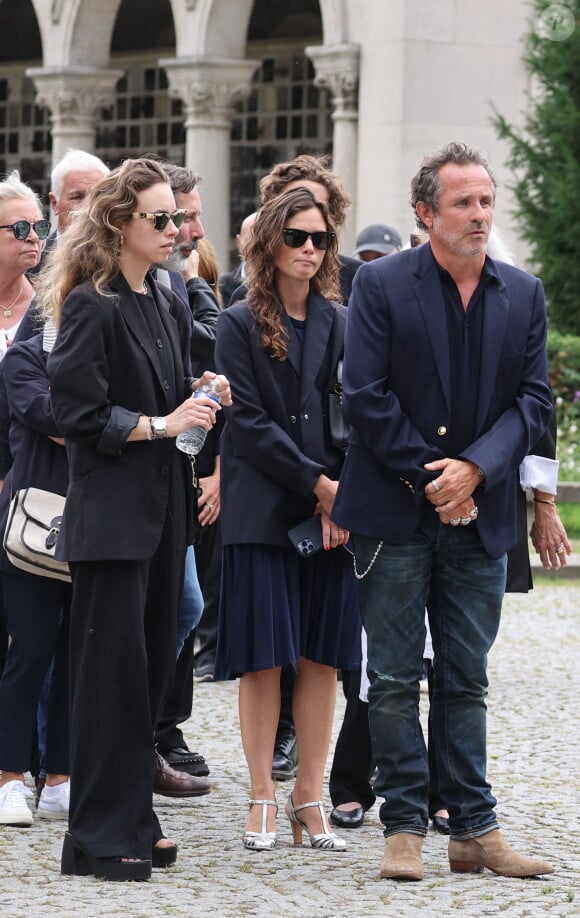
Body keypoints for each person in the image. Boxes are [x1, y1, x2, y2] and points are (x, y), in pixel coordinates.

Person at [333, 141, 555, 881]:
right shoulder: (380, 284)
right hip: (395, 510)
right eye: (463, 202)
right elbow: (364, 394)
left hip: (479, 514)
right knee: (393, 678)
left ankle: (474, 829)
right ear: (425, 213)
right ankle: (404, 826)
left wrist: (478, 469)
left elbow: (533, 402)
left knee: (467, 677)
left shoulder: (523, 292)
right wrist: (436, 478)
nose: (479, 214)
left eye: (486, 200)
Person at [40, 157, 230, 881]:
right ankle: (96, 834)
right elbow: (78, 415)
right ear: (122, 224)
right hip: (112, 521)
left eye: (176, 218)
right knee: (109, 679)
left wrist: (202, 391)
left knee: (147, 681)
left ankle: (132, 818)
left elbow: (167, 389)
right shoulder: (91, 303)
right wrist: (162, 420)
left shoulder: (168, 297)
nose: (177, 229)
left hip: (164, 515)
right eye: (161, 219)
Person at [214, 187, 361, 852]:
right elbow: (246, 423)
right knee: (264, 659)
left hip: (330, 512)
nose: (309, 250)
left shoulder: (340, 320)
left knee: (323, 658)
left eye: (320, 239)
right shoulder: (238, 321)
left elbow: (357, 414)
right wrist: (318, 485)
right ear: (270, 241)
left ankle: (309, 795)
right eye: (297, 237)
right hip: (262, 509)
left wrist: (342, 496)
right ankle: (261, 796)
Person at [0, 323, 71, 827]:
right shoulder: (25, 359)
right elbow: (53, 418)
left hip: (98, 523)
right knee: (29, 653)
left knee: (75, 657)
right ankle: (9, 777)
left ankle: (60, 779)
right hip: (34, 523)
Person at [219, 212, 257, 306]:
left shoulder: (283, 286)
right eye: (252, 241)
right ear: (239, 242)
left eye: (265, 240)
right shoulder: (221, 286)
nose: (259, 247)